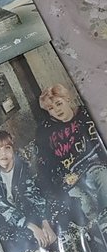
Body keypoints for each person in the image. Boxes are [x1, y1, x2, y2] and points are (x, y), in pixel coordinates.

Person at [0, 130, 57, 252]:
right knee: (30, 245)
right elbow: (4, 209)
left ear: (12, 149)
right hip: (2, 219)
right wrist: (33, 227)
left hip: (23, 210)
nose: (3, 153)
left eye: (7, 147)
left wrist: (45, 223)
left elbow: (33, 193)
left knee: (54, 228)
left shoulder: (21, 165)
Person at [37, 84, 107, 234]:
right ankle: (100, 231)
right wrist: (60, 181)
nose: (57, 110)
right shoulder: (46, 132)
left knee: (103, 178)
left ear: (67, 99)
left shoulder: (86, 115)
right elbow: (46, 164)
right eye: (51, 108)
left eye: (59, 103)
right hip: (71, 178)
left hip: (95, 166)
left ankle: (105, 223)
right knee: (84, 203)